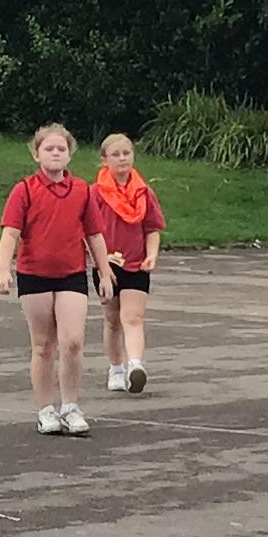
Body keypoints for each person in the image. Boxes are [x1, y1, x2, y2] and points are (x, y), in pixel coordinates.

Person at [0, 122, 108, 435]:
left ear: (70, 154)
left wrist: (105, 271)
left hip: (71, 274)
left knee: (72, 342)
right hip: (34, 274)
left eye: (62, 148)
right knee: (43, 345)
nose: (56, 153)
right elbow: (10, 233)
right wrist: (4, 270)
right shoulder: (24, 190)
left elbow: (94, 234)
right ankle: (46, 409)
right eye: (49, 148)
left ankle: (70, 406)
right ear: (37, 154)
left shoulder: (82, 190)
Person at [92, 132, 164, 395]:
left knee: (132, 317)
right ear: (104, 160)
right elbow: (86, 232)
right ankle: (116, 368)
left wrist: (151, 254)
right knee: (112, 318)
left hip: (136, 262)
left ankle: (135, 365)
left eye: (127, 153)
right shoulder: (95, 193)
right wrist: (101, 260)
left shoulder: (144, 192)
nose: (122, 158)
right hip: (106, 265)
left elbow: (152, 228)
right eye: (116, 154)